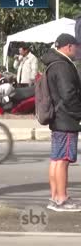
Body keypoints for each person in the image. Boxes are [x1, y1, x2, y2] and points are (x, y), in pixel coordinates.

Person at [41, 33, 81, 212]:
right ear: (69, 46)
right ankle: (62, 199)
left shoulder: (52, 65)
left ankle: (55, 197)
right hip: (66, 119)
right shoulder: (63, 66)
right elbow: (69, 95)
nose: (78, 50)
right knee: (63, 160)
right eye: (77, 46)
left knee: (56, 159)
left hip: (57, 119)